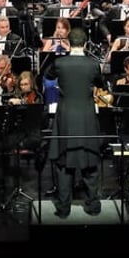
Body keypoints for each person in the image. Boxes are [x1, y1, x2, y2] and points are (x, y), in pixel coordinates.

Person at [44, 28, 105, 218]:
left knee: (64, 163)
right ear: (86, 44)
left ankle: (63, 209)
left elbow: (48, 75)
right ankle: (93, 206)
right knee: (90, 160)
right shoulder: (93, 64)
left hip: (66, 117)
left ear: (69, 43)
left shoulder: (60, 62)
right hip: (86, 116)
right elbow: (100, 83)